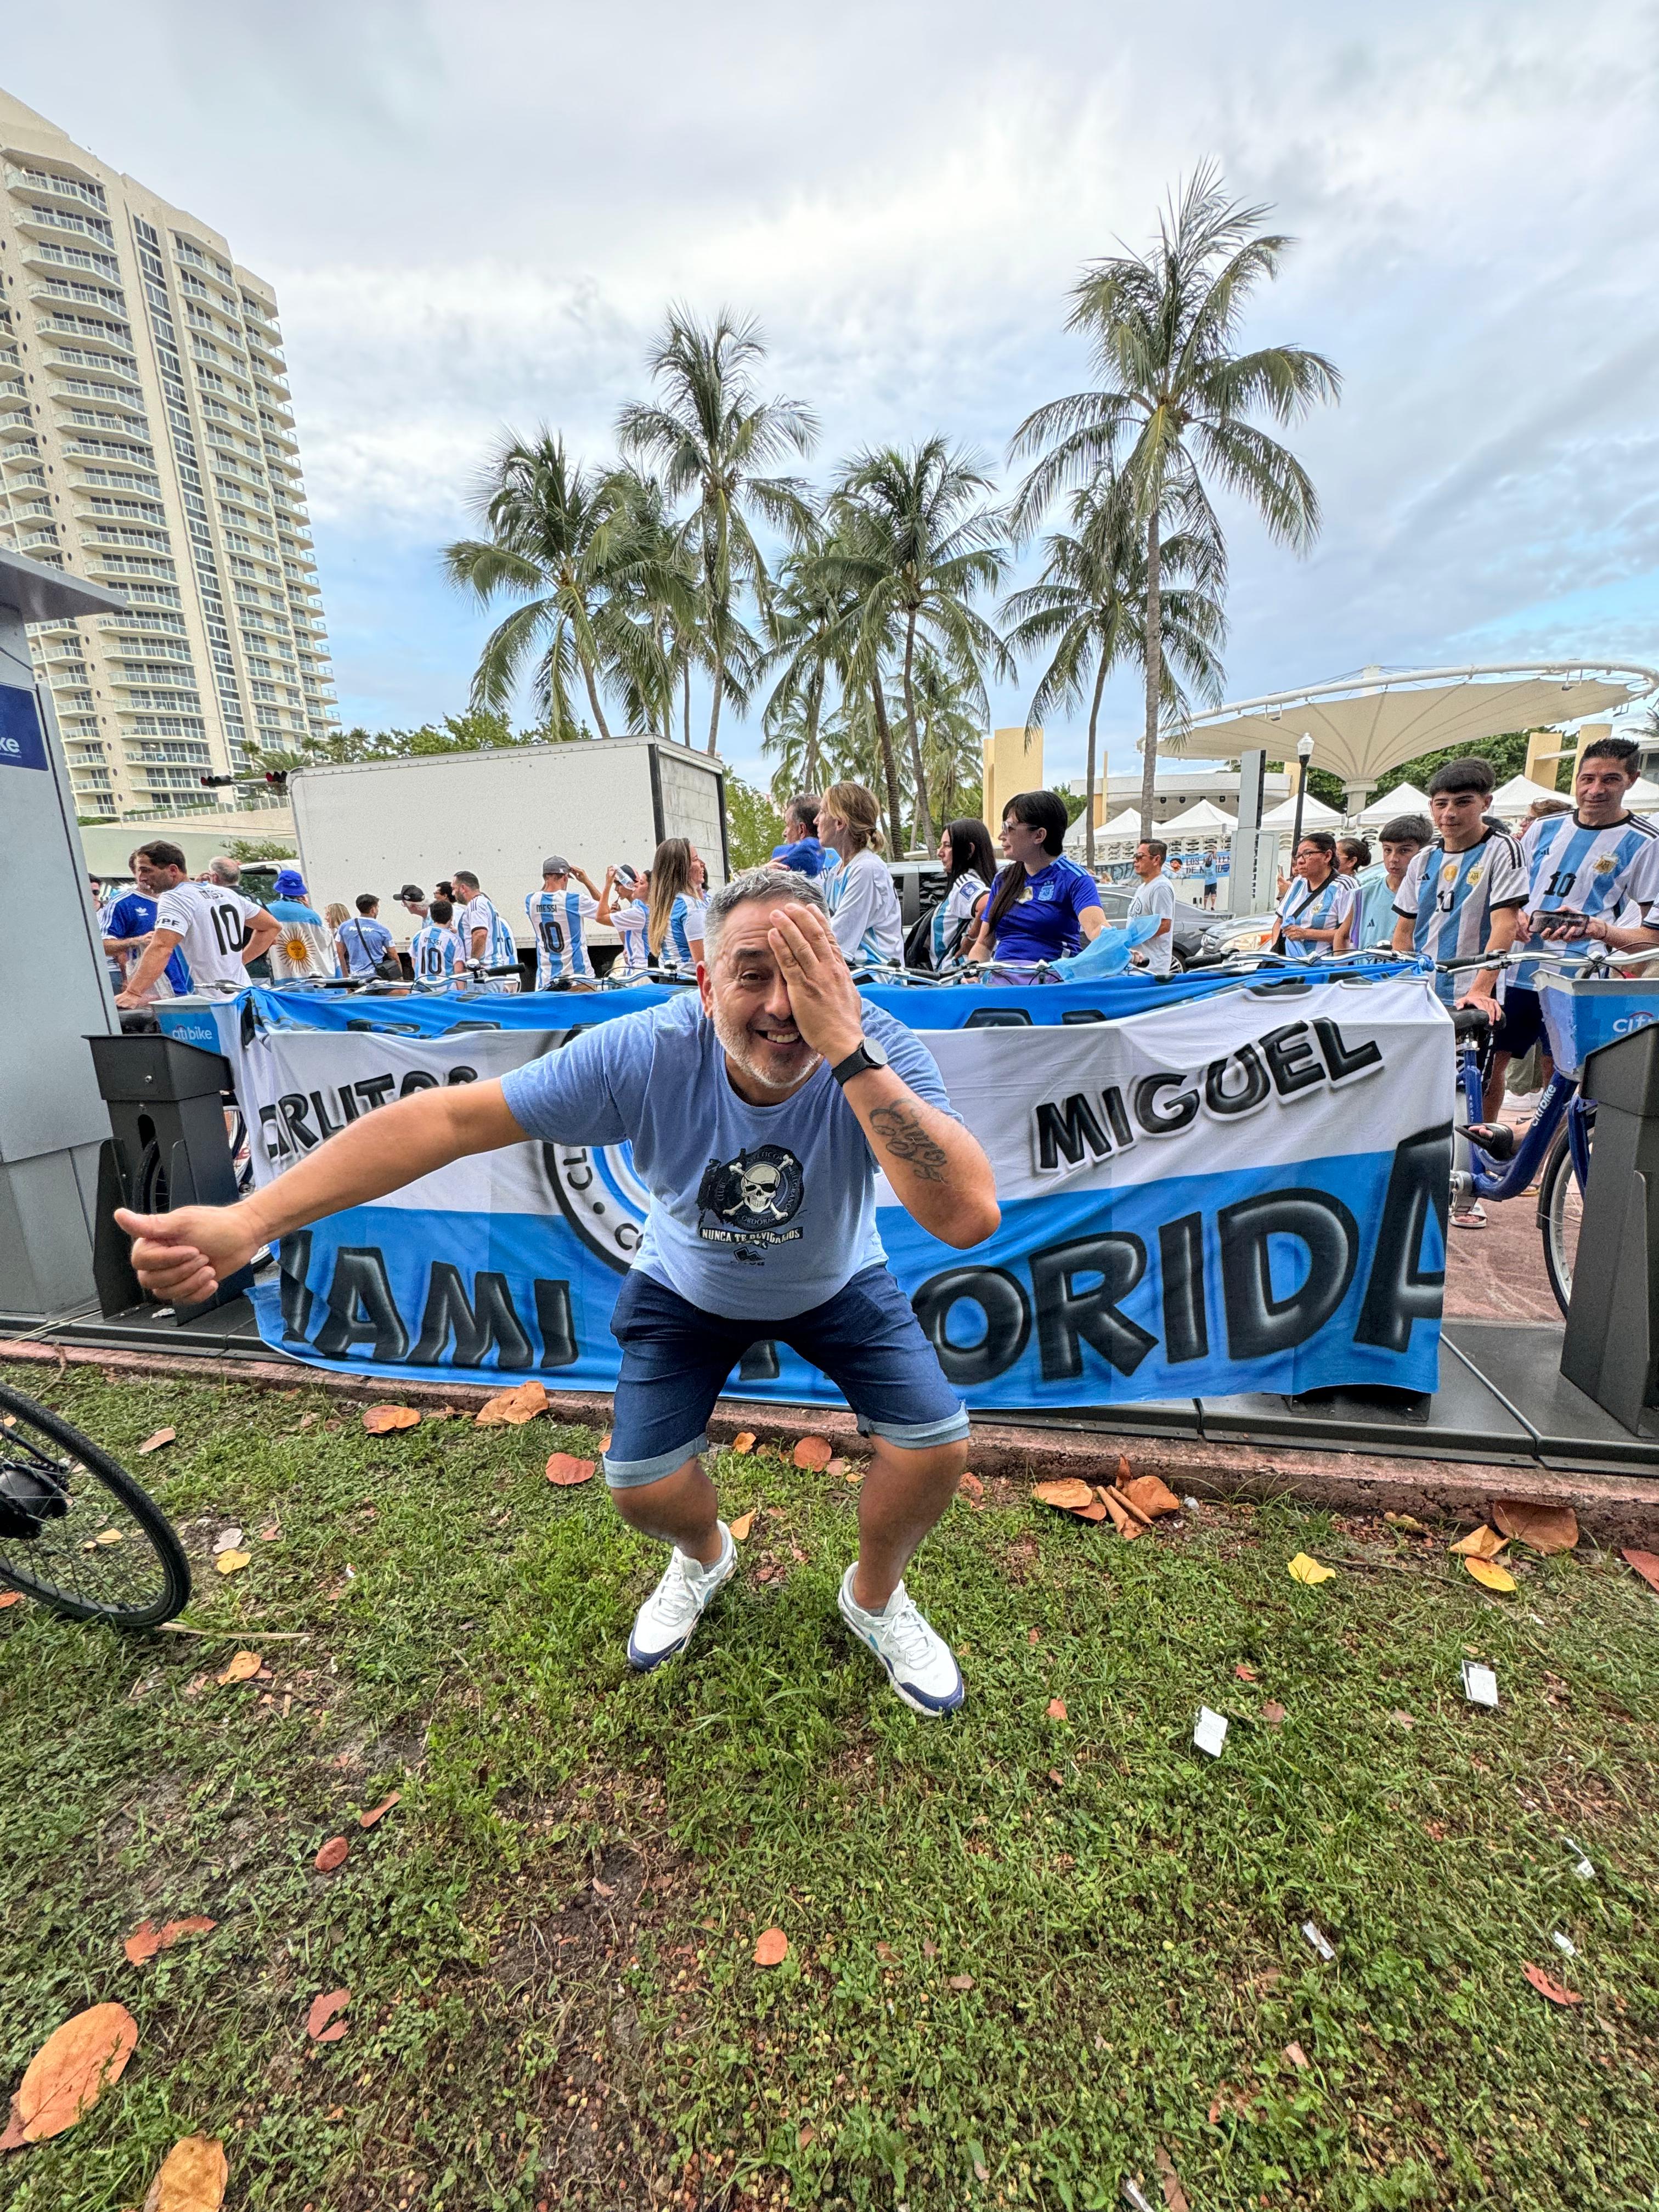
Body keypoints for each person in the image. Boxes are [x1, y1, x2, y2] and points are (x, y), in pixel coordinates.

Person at [116, 870, 1000, 1714]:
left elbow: (967, 1217)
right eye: (752, 973)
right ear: (702, 980)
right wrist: (251, 1221)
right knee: (640, 1486)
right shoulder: (647, 1052)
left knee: (935, 1446)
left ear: (839, 976)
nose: (779, 1005)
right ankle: (704, 1556)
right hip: (687, 1285)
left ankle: (875, 1599)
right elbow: (452, 1119)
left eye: (805, 973)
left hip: (838, 1279)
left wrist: (847, 1048)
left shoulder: (875, 1047)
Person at [1482, 737, 1659, 1113]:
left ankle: (1547, 1167)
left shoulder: (1646, 842)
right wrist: (1515, 915)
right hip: (1513, 971)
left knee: (1560, 1079)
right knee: (1489, 1067)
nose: (1595, 790)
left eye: (1610, 780)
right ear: (1575, 779)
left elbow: (1650, 941)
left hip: (1575, 978)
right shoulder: (1542, 829)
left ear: (1632, 780)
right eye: (1588, 779)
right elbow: (1504, 895)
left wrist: (1600, 930)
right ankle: (1484, 1156)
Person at [1390, 761, 1530, 1229]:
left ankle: (1468, 1188)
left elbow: (1505, 922)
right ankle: (1413, 1172)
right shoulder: (1425, 860)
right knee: (1415, 1081)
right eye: (1441, 803)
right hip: (1424, 991)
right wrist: (1401, 979)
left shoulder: (1503, 850)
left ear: (1485, 803)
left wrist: (1480, 988)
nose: (1449, 813)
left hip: (1472, 993)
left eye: (1462, 803)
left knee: (1471, 1087)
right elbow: (1404, 929)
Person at [114, 840, 278, 1008]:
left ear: (173, 870)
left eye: (147, 870)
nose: (141, 878)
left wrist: (133, 993)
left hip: (209, 1002)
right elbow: (271, 927)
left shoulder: (175, 898)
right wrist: (240, 960)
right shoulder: (224, 893)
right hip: (244, 995)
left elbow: (162, 946)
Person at [967, 790, 1103, 967]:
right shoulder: (1003, 879)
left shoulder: (1075, 878)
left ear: (1039, 835)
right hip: (1004, 983)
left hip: (1051, 985)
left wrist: (1121, 948)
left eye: (1009, 827)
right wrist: (972, 973)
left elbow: (1096, 929)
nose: (1002, 836)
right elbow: (984, 944)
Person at [820, 783, 904, 966]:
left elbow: (836, 940)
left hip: (875, 977)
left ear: (840, 822)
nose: (816, 820)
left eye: (823, 812)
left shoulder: (866, 869)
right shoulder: (837, 872)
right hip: (854, 973)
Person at [103, 847, 194, 1001]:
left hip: (194, 985)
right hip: (155, 990)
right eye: (141, 871)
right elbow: (103, 946)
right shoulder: (123, 903)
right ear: (134, 872)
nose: (145, 877)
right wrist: (136, 941)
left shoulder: (182, 899)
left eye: (149, 871)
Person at [1345, 814, 1431, 951]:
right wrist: (1343, 969)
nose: (1393, 859)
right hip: (1368, 970)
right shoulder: (1364, 894)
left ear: (1423, 851)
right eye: (1388, 850)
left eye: (1404, 851)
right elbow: (1342, 935)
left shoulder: (1431, 894)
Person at [1273, 832, 1356, 960]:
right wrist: (1276, 953)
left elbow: (1351, 934)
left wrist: (1306, 934)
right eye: (1298, 856)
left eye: (1307, 854)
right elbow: (1279, 922)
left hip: (1322, 966)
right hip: (1288, 965)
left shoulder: (1343, 885)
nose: (1300, 861)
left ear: (1327, 856)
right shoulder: (1298, 882)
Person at [526, 855, 602, 987]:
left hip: (546, 981)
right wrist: (586, 881)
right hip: (578, 979)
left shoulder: (531, 900)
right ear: (566, 878)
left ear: (545, 878)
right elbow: (605, 910)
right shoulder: (574, 900)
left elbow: (543, 895)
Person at [930, 819, 996, 969]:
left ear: (969, 850)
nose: (940, 852)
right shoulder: (982, 880)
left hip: (957, 976)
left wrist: (971, 939)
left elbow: (987, 904)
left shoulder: (965, 883)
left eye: (947, 846)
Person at [264, 868, 335, 981]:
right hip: (310, 978)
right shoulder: (312, 916)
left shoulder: (267, 912)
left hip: (281, 976)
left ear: (279, 890)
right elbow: (325, 943)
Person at [647, 839, 707, 968]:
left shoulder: (667, 902)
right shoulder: (691, 906)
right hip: (691, 982)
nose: (703, 864)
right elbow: (704, 963)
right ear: (682, 868)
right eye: (696, 859)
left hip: (670, 979)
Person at [1126, 838, 1177, 974]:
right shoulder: (1143, 887)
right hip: (1138, 965)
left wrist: (1131, 937)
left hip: (1152, 968)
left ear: (1156, 860)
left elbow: (1165, 925)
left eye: (1140, 857)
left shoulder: (1161, 887)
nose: (1135, 861)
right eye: (1135, 857)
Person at [453, 870, 519, 968]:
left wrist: (473, 963)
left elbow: (480, 934)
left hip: (483, 971)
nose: (453, 893)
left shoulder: (475, 905)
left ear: (463, 888)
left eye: (454, 889)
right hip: (492, 968)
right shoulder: (485, 903)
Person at [599, 864, 651, 977]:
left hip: (640, 970)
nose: (616, 888)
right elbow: (627, 942)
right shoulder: (635, 909)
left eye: (619, 884)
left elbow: (600, 917)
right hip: (633, 968)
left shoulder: (639, 910)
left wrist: (607, 886)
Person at [337, 893, 399, 982]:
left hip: (356, 976)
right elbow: (393, 954)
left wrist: (346, 978)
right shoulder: (382, 930)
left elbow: (339, 953)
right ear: (373, 910)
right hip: (376, 976)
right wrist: (399, 975)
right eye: (377, 908)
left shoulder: (344, 927)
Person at [410, 896, 465, 985]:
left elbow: (415, 962)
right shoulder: (454, 940)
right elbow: (458, 971)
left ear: (432, 916)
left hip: (422, 988)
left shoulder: (419, 935)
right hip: (445, 990)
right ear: (451, 917)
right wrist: (461, 994)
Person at [771, 794, 826, 878]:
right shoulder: (840, 862)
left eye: (788, 825)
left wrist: (764, 873)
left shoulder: (786, 869)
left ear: (802, 830)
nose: (784, 833)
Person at [323, 902, 352, 978]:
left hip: (348, 973)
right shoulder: (350, 931)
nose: (326, 918)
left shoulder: (340, 934)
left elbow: (339, 956)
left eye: (328, 914)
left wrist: (345, 979)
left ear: (335, 915)